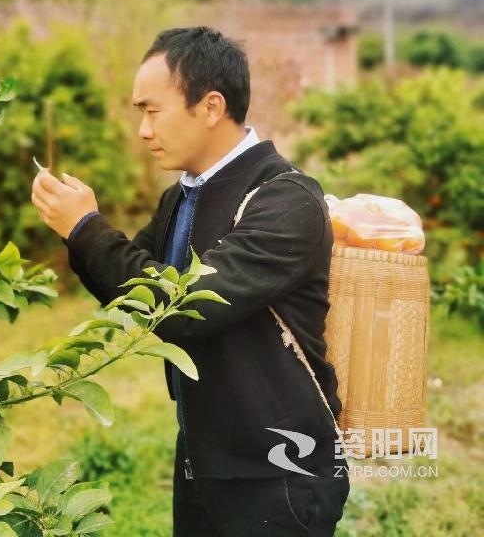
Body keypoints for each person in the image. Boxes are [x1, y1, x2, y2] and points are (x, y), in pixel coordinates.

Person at [30, 26, 349, 536]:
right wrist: (79, 233)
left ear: (211, 107)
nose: (143, 131)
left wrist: (87, 228)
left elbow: (186, 307)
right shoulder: (181, 196)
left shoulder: (286, 199)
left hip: (277, 470)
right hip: (204, 454)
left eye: (153, 111)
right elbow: (133, 288)